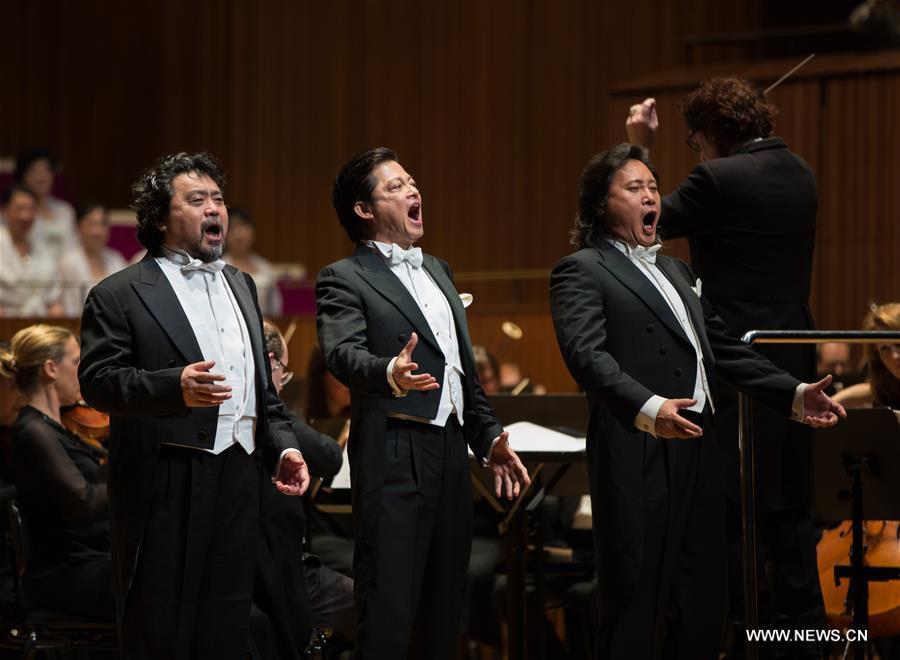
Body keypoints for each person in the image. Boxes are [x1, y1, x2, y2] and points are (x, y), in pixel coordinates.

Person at [549, 144, 845, 659]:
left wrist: (792, 393)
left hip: (699, 447)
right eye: (634, 188)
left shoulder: (678, 273)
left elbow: (725, 349)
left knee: (704, 599)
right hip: (636, 447)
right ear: (601, 204)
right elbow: (586, 357)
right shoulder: (582, 269)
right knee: (636, 604)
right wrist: (649, 407)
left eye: (653, 187)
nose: (651, 197)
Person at [78, 151, 310, 659]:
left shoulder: (242, 284)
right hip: (166, 479)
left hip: (240, 475)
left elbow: (262, 392)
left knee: (227, 625)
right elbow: (97, 382)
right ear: (161, 217)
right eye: (197, 199)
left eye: (220, 199)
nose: (215, 210)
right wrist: (171, 387)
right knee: (162, 628)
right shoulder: (117, 293)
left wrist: (283, 448)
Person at [626, 77, 825, 655]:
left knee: (735, 509)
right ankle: (804, 642)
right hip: (796, 353)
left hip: (736, 360)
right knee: (790, 505)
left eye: (696, 142)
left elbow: (643, 224)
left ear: (712, 133)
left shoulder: (718, 177)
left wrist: (641, 148)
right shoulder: (802, 170)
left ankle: (744, 641)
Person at [316, 146, 530, 659]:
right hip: (393, 448)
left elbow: (463, 375)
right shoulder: (344, 277)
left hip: (451, 453)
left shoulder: (439, 270)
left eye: (412, 182)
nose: (413, 190)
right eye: (395, 186)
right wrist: (388, 371)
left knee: (444, 609)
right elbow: (342, 353)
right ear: (363, 210)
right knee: (388, 607)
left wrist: (489, 437)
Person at [254, 319, 355, 657]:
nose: (284, 379)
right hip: (279, 569)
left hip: (259, 562)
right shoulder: (267, 412)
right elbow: (328, 455)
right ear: (269, 363)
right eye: (282, 368)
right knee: (373, 607)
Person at [0, 325, 114, 619]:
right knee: (163, 584)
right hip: (67, 572)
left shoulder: (55, 426)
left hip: (93, 560)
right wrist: (134, 475)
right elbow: (84, 502)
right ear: (51, 369)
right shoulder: (33, 431)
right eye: (77, 361)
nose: (84, 369)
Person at [0, 184, 63, 317]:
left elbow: (53, 300)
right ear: (4, 210)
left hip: (40, 326)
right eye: (19, 209)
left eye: (31, 209)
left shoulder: (44, 247)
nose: (25, 216)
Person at [59, 204, 128, 317]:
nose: (97, 231)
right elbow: (70, 308)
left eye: (102, 224)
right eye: (91, 224)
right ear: (78, 227)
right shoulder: (69, 262)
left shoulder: (116, 259)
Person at [14, 148, 77, 259]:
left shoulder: (65, 210)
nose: (41, 177)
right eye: (34, 171)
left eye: (46, 170)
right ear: (22, 176)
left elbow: (74, 248)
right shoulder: (15, 212)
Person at [834, 303, 900, 408]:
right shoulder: (887, 387)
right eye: (884, 349)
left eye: (898, 344)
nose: (895, 356)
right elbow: (869, 390)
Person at [224, 207, 285, 317]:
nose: (239, 234)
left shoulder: (264, 266)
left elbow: (276, 306)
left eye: (243, 226)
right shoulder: (220, 267)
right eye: (233, 228)